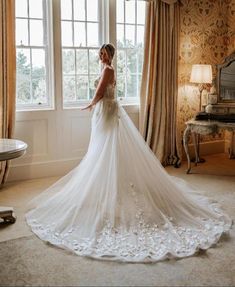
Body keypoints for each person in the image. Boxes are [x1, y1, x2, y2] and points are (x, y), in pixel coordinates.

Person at [26, 43, 232, 263]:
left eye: (104, 53)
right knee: (100, 151)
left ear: (111, 55)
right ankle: (103, 188)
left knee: (107, 150)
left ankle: (112, 189)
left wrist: (89, 105)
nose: (101, 55)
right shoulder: (104, 68)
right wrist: (94, 107)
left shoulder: (108, 70)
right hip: (104, 112)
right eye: (100, 53)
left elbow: (99, 92)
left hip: (106, 111)